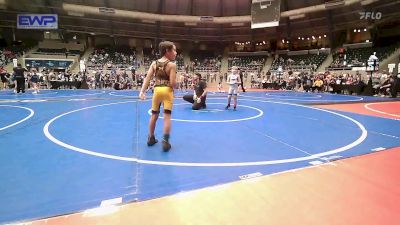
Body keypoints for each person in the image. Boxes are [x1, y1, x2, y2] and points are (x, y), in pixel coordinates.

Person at [139, 41, 177, 152]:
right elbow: (173, 83)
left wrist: (142, 92)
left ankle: (151, 138)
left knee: (154, 116)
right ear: (167, 51)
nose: (176, 52)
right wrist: (176, 85)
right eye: (174, 50)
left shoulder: (154, 63)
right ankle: (165, 141)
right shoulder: (172, 65)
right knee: (167, 117)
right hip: (167, 91)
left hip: (156, 91)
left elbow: (147, 78)